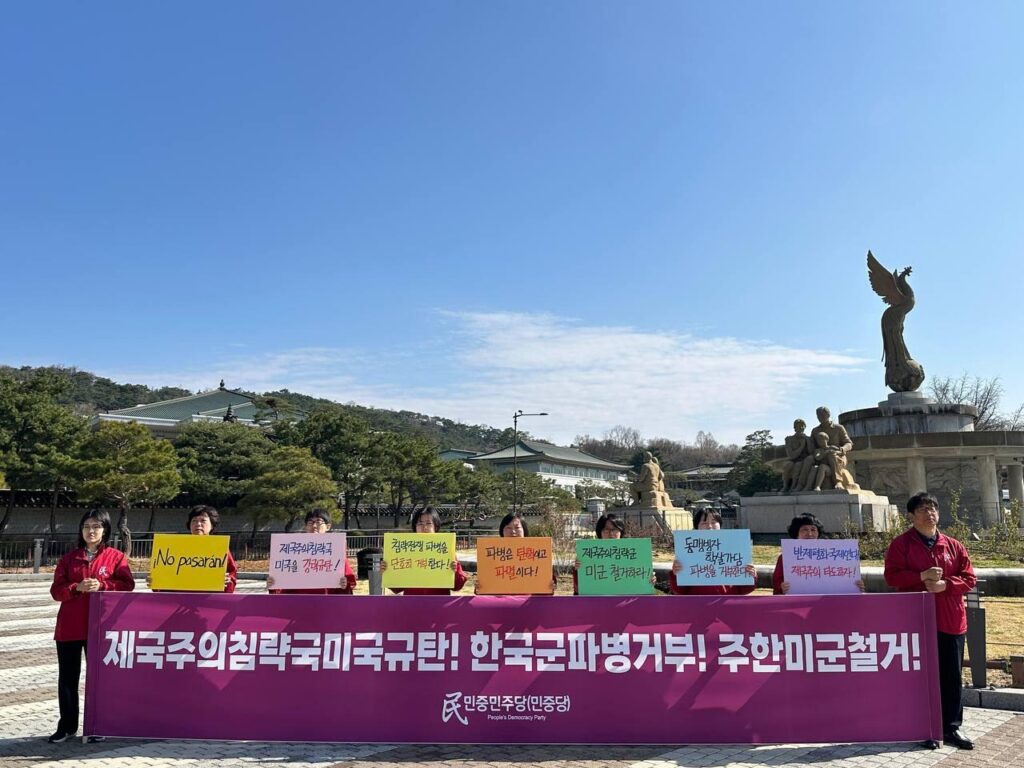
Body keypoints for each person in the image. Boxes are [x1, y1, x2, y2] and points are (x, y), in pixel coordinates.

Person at [884, 492, 977, 751]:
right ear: (911, 516)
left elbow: (969, 578)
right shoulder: (901, 545)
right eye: (923, 509)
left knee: (952, 676)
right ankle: (925, 728)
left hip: (950, 619)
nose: (930, 514)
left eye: (933, 508)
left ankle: (951, 727)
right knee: (922, 677)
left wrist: (946, 585)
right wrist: (921, 576)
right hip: (916, 621)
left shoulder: (953, 545)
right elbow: (891, 577)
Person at [48, 509, 135, 743]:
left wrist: (103, 585)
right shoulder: (69, 559)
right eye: (86, 526)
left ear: (105, 530)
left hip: (100, 627)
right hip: (69, 627)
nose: (91, 531)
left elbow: (127, 585)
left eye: (96, 526)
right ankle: (67, 726)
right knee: (68, 678)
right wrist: (76, 588)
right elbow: (56, 591)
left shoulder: (116, 557)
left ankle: (97, 726)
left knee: (99, 679)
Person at [149, 505, 237, 592]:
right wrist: (155, 582)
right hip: (179, 597)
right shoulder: (175, 546)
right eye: (194, 521)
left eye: (203, 521)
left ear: (212, 525)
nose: (198, 524)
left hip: (208, 598)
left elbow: (231, 574)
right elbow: (165, 573)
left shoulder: (219, 547)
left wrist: (227, 580)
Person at [267, 508, 356, 595]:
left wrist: (344, 584)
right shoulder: (294, 549)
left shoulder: (335, 549)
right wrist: (274, 584)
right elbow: (282, 584)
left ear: (328, 526)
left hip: (327, 600)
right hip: (297, 600)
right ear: (305, 526)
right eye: (310, 523)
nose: (314, 526)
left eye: (318, 522)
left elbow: (346, 581)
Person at [669, 509, 756, 595]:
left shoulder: (735, 548)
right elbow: (680, 591)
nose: (709, 526)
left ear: (720, 525)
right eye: (704, 523)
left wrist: (751, 575)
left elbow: (743, 590)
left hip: (726, 602)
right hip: (697, 602)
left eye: (714, 522)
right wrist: (676, 575)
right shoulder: (687, 553)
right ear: (696, 527)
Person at [386, 507, 467, 595]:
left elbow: (458, 586)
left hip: (438, 602)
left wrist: (455, 570)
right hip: (412, 602)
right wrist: (387, 571)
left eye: (428, 523)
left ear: (435, 526)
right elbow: (396, 588)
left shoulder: (445, 550)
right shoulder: (405, 552)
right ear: (415, 527)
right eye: (420, 524)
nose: (424, 527)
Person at [572, 513, 656, 594]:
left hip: (625, 601)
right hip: (599, 601)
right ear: (600, 532)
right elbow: (580, 591)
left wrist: (649, 581)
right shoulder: (589, 555)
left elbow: (640, 586)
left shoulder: (634, 553)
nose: (611, 533)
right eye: (606, 529)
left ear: (621, 531)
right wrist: (578, 572)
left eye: (614, 529)